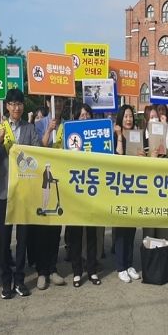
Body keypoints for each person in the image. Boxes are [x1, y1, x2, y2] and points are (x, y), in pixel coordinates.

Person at [0, 88, 41, 298]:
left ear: (23, 106)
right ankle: (6, 281)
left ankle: (20, 280)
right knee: (4, 239)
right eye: (12, 104)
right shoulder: (0, 128)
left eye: (19, 104)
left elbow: (38, 153)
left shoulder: (30, 129)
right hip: (4, 191)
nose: (16, 108)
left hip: (24, 193)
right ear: (7, 107)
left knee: (22, 238)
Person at [31, 95, 69, 290]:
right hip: (43, 180)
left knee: (55, 228)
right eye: (55, 101)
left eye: (61, 101)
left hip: (61, 180)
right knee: (42, 228)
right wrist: (48, 130)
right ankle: (41, 271)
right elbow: (38, 149)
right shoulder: (38, 125)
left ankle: (53, 268)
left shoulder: (68, 125)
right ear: (47, 103)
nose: (58, 104)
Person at [67, 103, 102, 287]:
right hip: (75, 189)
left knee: (91, 233)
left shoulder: (97, 135)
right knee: (75, 233)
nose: (85, 117)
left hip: (92, 188)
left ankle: (92, 270)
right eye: (81, 114)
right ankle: (77, 271)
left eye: (87, 114)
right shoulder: (70, 134)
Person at [113, 104, 142, 282]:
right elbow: (118, 158)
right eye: (125, 116)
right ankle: (120, 266)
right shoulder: (116, 136)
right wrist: (119, 136)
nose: (129, 119)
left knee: (131, 228)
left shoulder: (137, 136)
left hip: (134, 188)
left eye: (131, 116)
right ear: (120, 119)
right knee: (120, 228)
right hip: (119, 188)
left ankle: (129, 264)